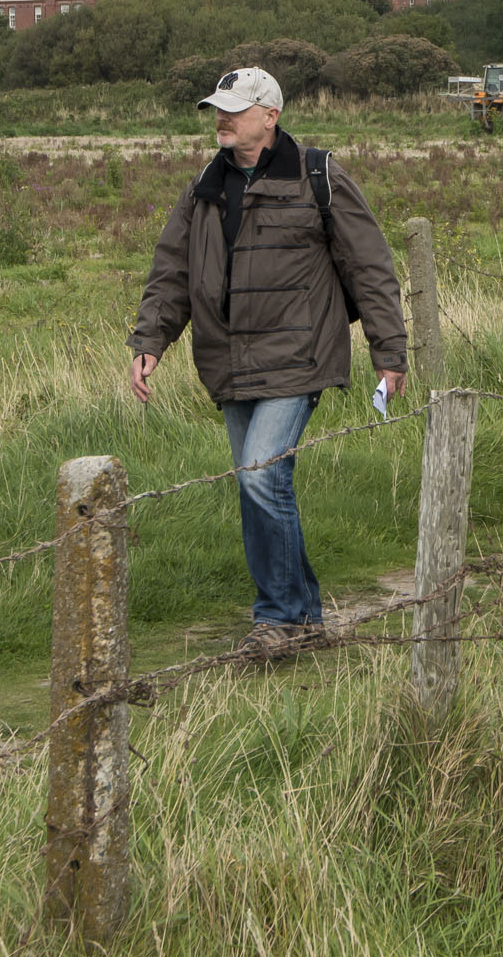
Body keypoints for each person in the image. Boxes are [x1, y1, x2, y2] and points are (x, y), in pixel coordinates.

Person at [128, 67, 408, 656]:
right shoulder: (203, 187)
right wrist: (150, 341)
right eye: (216, 109)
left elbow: (370, 267)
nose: (222, 119)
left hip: (298, 353)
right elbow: (172, 271)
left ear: (270, 116)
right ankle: (304, 617)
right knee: (261, 486)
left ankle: (276, 618)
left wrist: (390, 351)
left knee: (261, 475)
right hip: (227, 360)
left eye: (234, 108)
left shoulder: (317, 176)